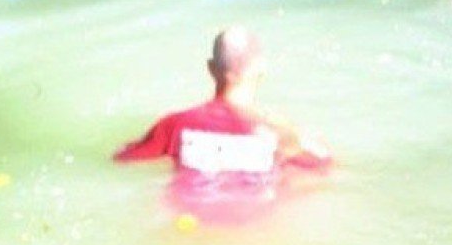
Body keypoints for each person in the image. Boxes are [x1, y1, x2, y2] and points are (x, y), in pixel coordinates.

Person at [114, 26, 330, 200]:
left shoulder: (175, 126)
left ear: (211, 68)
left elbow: (123, 158)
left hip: (189, 225)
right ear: (261, 68)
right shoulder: (280, 134)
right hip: (254, 230)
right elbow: (324, 166)